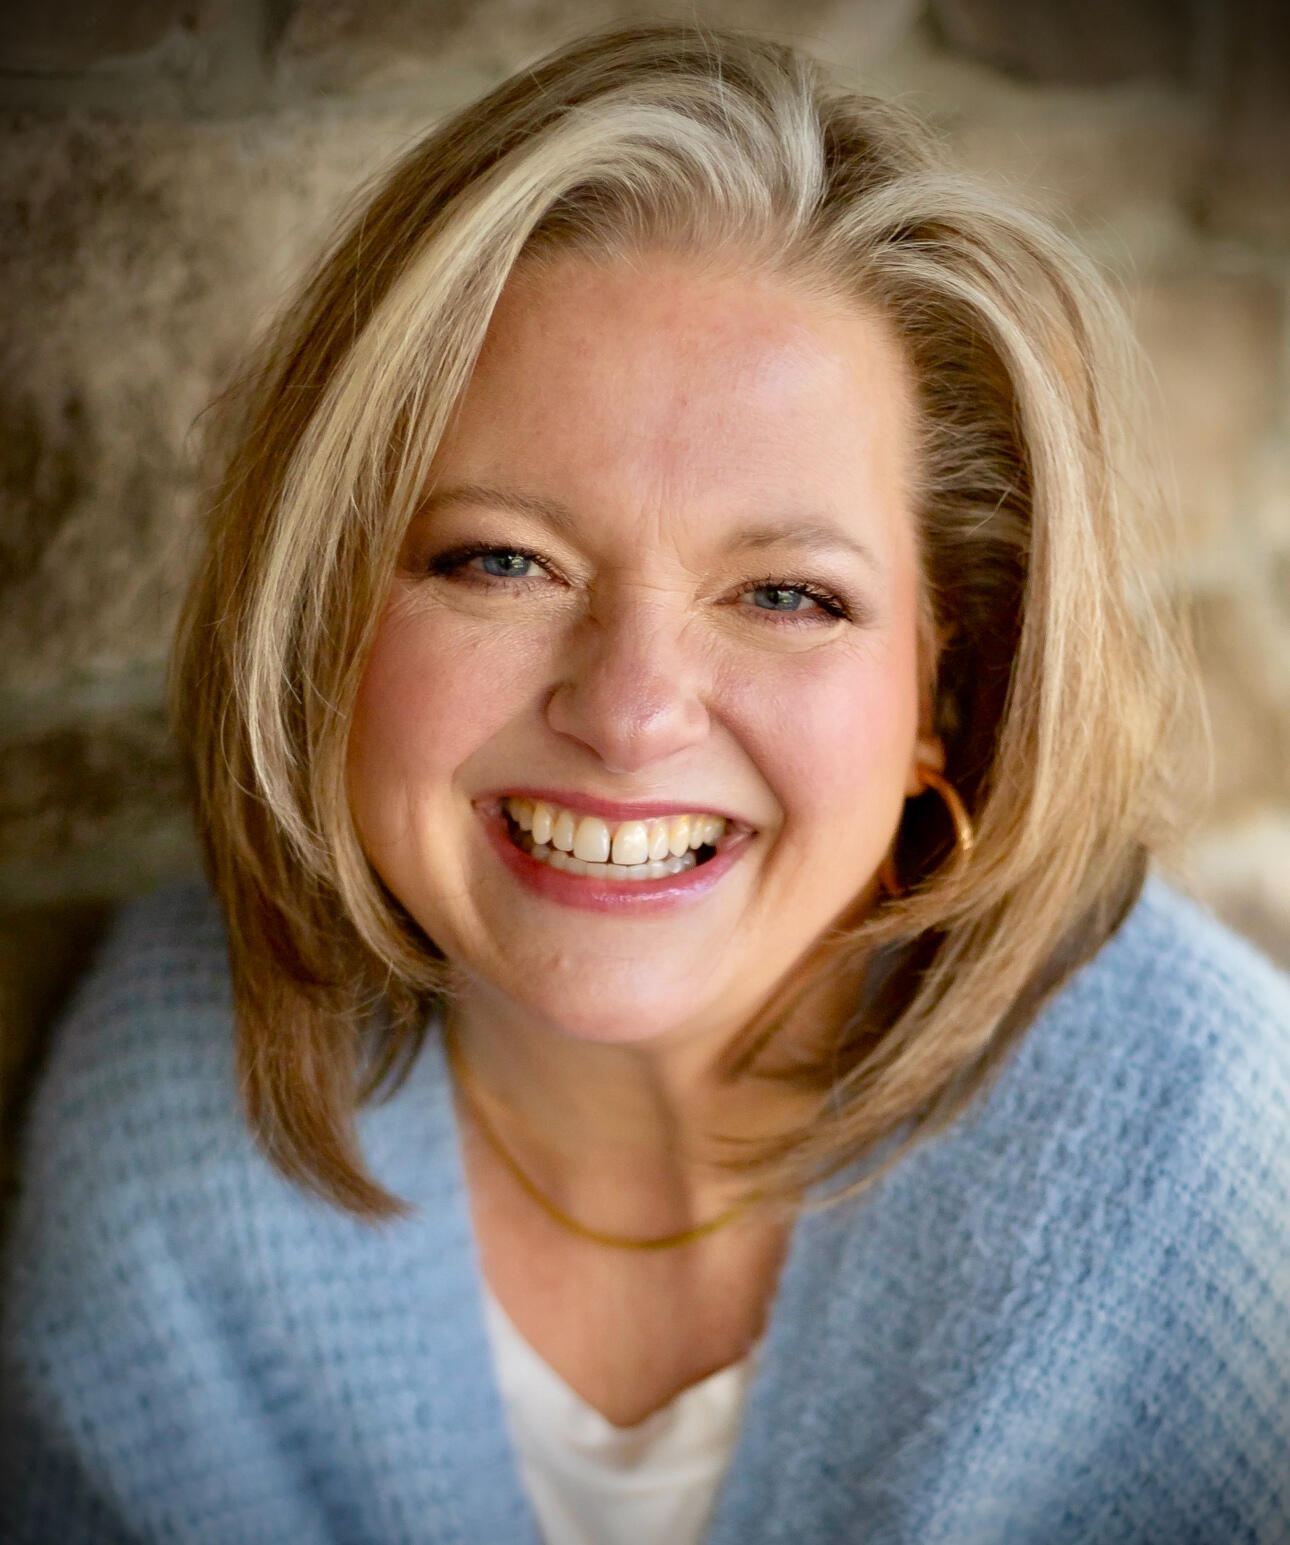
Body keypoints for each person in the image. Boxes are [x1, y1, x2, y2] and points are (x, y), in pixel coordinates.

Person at [2, 21, 1288, 1545]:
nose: (626, 714)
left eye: (787, 594)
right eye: (502, 560)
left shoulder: (1206, 1160)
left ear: (944, 694)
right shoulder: (176, 1085)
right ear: (328, 609)